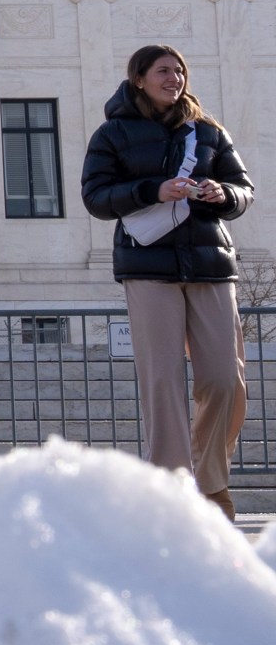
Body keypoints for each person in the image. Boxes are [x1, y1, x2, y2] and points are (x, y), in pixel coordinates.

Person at [81, 43, 254, 522]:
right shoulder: (112, 134)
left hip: (211, 265)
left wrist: (224, 195)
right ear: (139, 78)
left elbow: (244, 190)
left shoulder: (209, 132)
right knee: (162, 381)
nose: (174, 78)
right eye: (163, 71)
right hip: (147, 266)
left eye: (179, 70)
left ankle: (210, 476)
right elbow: (96, 197)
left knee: (224, 378)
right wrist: (151, 190)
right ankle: (173, 490)